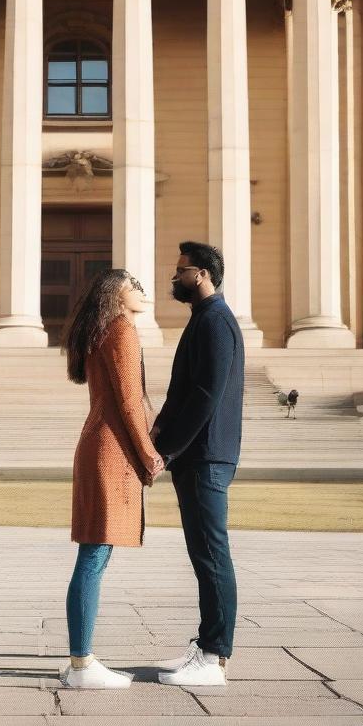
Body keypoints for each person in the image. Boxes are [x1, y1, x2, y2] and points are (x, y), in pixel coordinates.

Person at [59, 269, 165, 690]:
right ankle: (82, 664)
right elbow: (128, 402)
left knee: (94, 554)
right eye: (134, 285)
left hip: (98, 442)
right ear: (115, 294)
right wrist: (149, 455)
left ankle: (79, 660)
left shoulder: (104, 328)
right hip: (111, 448)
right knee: (94, 555)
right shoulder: (122, 329)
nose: (142, 291)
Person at [152, 241, 243, 687]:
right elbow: (180, 392)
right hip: (195, 455)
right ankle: (207, 643)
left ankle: (214, 656)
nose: (175, 278)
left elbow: (206, 396)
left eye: (181, 271)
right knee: (202, 555)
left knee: (211, 555)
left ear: (202, 275)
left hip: (206, 454)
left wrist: (167, 449)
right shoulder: (202, 320)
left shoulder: (216, 323)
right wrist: (158, 437)